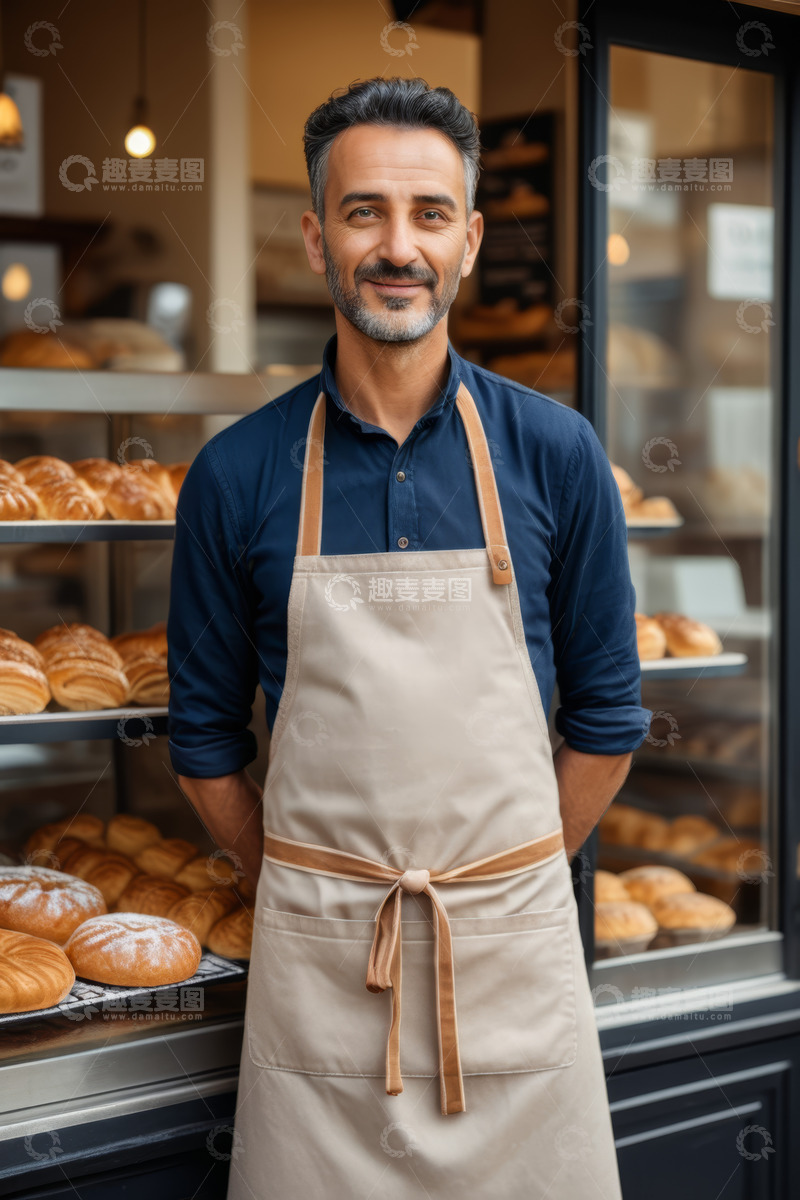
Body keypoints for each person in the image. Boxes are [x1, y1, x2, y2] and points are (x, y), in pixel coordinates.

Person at [167, 75, 651, 1200]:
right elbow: (200, 740)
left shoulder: (556, 454)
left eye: (429, 213)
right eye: (363, 211)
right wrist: (309, 891)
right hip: (321, 972)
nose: (397, 245)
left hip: (513, 968)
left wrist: (509, 884)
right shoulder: (236, 475)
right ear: (314, 235)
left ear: (470, 239)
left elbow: (608, 719)